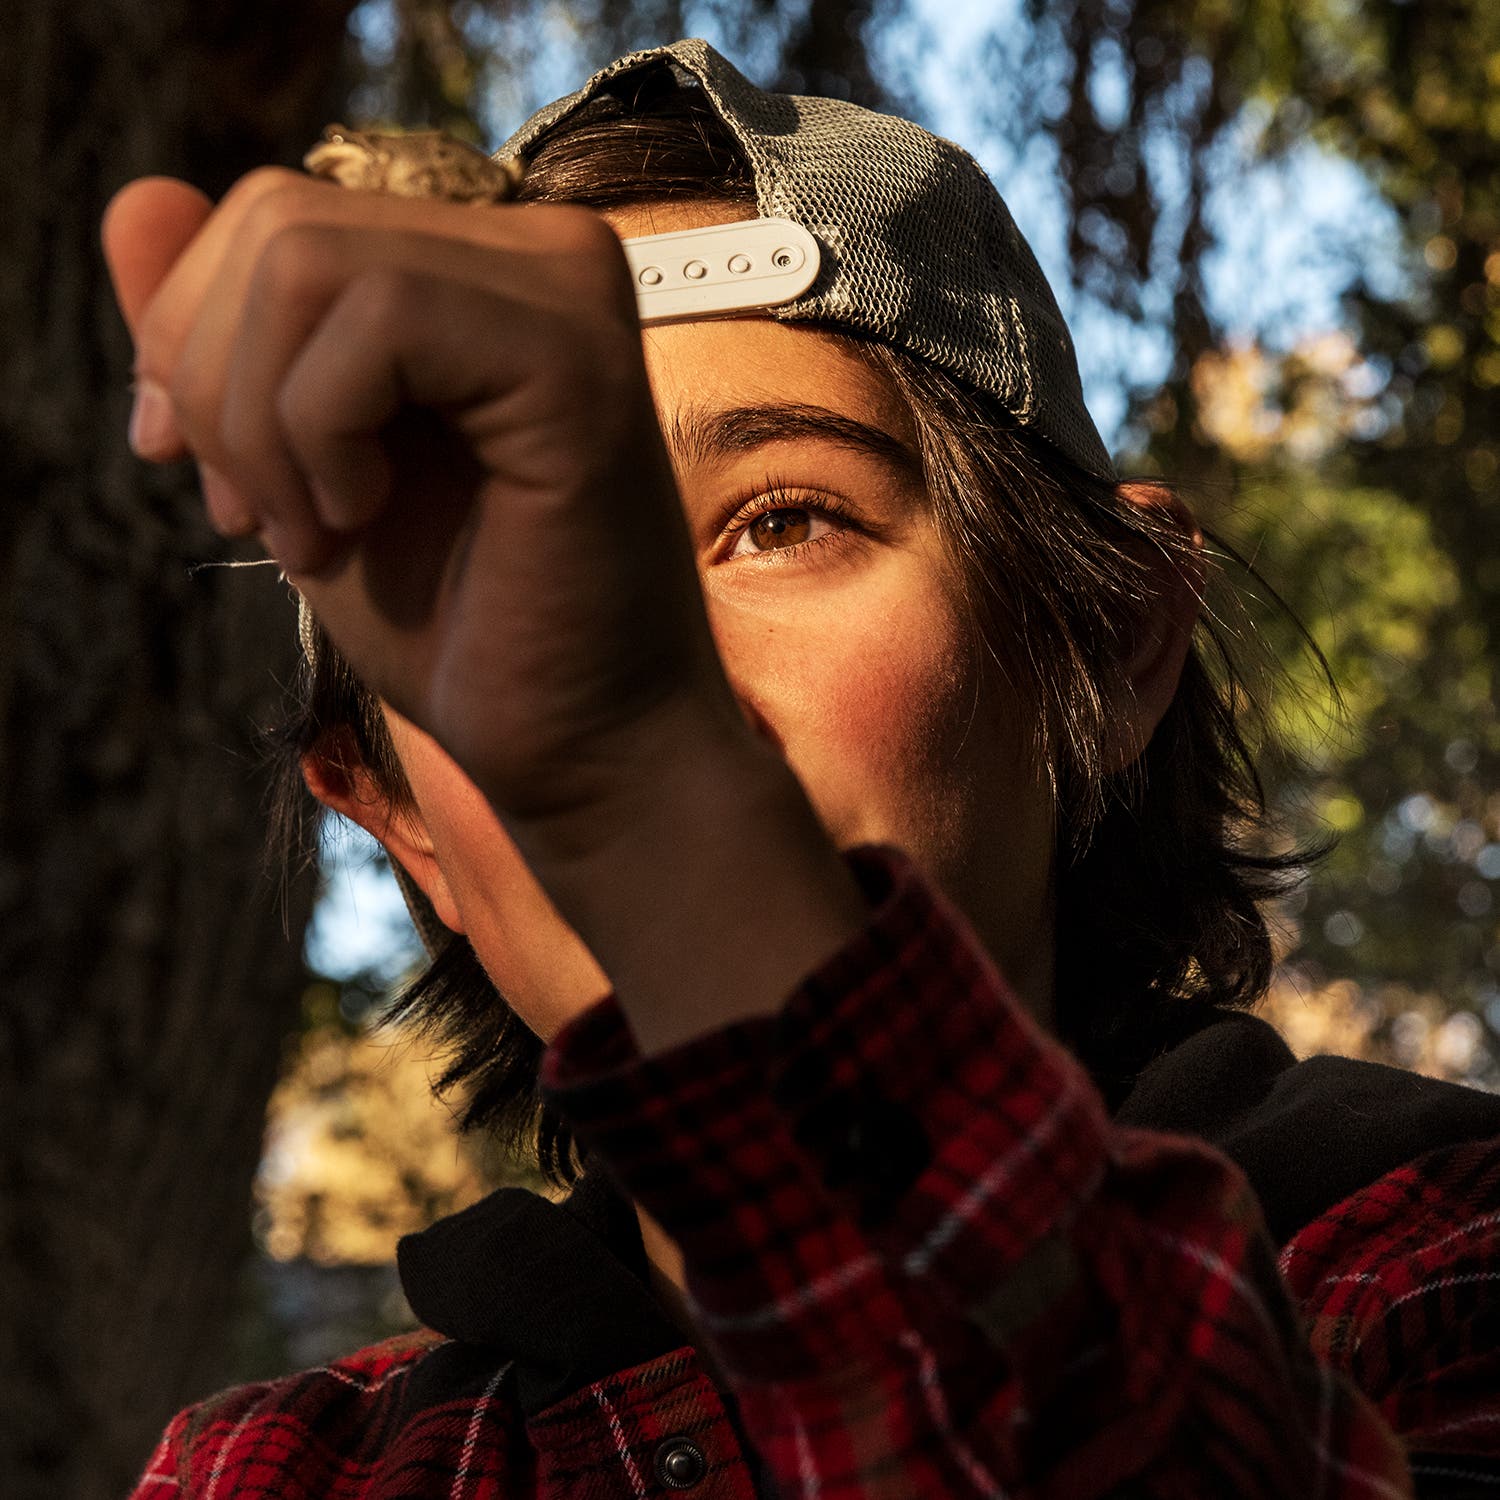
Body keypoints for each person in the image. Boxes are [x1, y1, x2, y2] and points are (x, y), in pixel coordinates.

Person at [106, 38, 1500, 1500]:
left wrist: (642, 784)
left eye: (782, 520)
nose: (624, 654)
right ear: (402, 827)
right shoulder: (278, 1472)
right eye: (484, 585)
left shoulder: (1432, 1280)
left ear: (1113, 647)